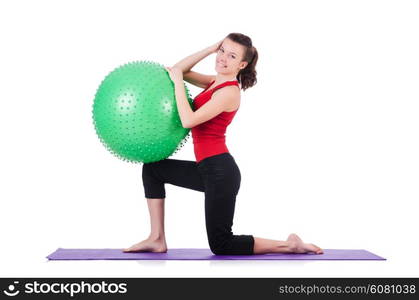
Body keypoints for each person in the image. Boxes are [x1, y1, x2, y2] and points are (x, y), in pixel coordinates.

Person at [124, 33, 323, 255]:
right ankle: (157, 238)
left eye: (231, 56)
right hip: (206, 168)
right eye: (222, 51)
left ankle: (290, 245)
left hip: (221, 173)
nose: (223, 58)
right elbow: (177, 69)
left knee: (221, 244)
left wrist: (178, 80)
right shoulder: (213, 82)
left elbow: (188, 119)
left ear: (242, 64)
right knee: (153, 170)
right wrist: (210, 49)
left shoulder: (229, 91)